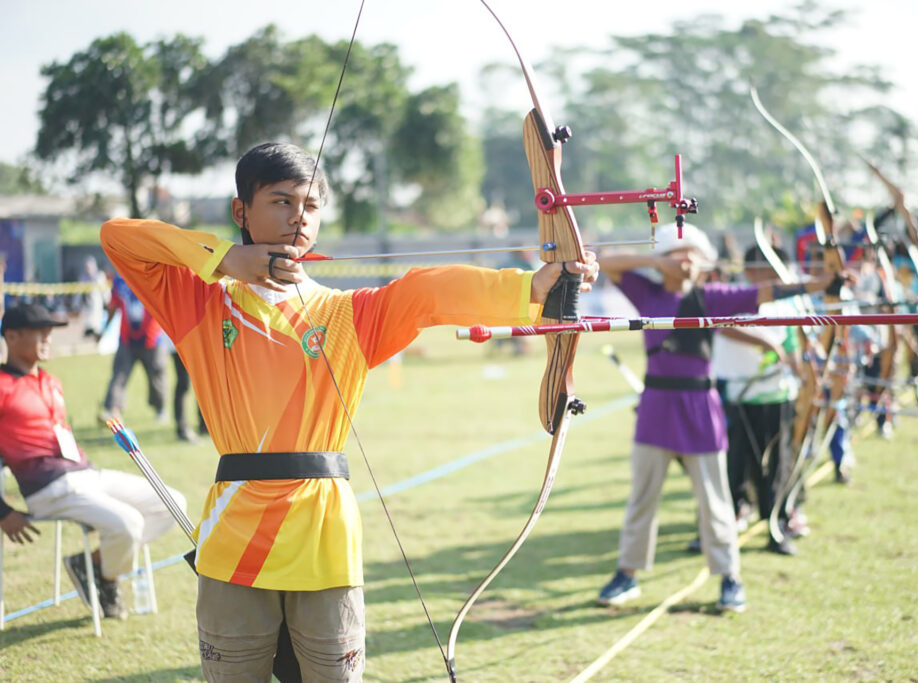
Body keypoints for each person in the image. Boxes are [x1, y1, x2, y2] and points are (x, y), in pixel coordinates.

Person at [99, 141, 599, 681]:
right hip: (235, 538)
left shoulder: (348, 314)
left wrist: (531, 287)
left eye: (310, 205)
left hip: (325, 536)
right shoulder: (198, 302)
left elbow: (425, 292)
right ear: (241, 212)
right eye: (281, 201)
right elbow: (118, 236)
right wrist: (225, 259)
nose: (298, 217)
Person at [595, 223, 847, 612]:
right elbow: (605, 262)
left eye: (694, 255)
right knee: (642, 496)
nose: (688, 263)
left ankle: (730, 579)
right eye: (679, 255)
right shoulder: (646, 292)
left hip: (700, 405)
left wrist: (821, 284)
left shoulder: (711, 297)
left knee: (715, 500)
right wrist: (655, 260)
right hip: (657, 405)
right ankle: (627, 574)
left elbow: (765, 292)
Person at [0, 303, 186, 620]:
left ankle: (95, 565)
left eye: (50, 331)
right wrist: (3, 512)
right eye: (40, 331)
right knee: (128, 523)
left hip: (86, 474)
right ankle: (108, 578)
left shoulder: (50, 380)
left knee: (174, 503)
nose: (48, 337)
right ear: (12, 336)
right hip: (48, 490)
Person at [714, 245, 801, 555]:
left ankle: (775, 525)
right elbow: (722, 324)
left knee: (777, 464)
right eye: (770, 269)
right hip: (738, 396)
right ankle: (729, 522)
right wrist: (765, 342)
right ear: (753, 271)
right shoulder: (732, 295)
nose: (777, 276)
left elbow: (791, 342)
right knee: (735, 464)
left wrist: (798, 363)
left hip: (778, 395)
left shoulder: (784, 304)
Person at [99, 275, 169, 423]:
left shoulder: (153, 273)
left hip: (152, 338)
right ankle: (113, 409)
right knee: (119, 375)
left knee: (156, 376)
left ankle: (160, 408)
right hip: (127, 338)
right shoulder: (120, 280)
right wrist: (104, 330)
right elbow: (114, 305)